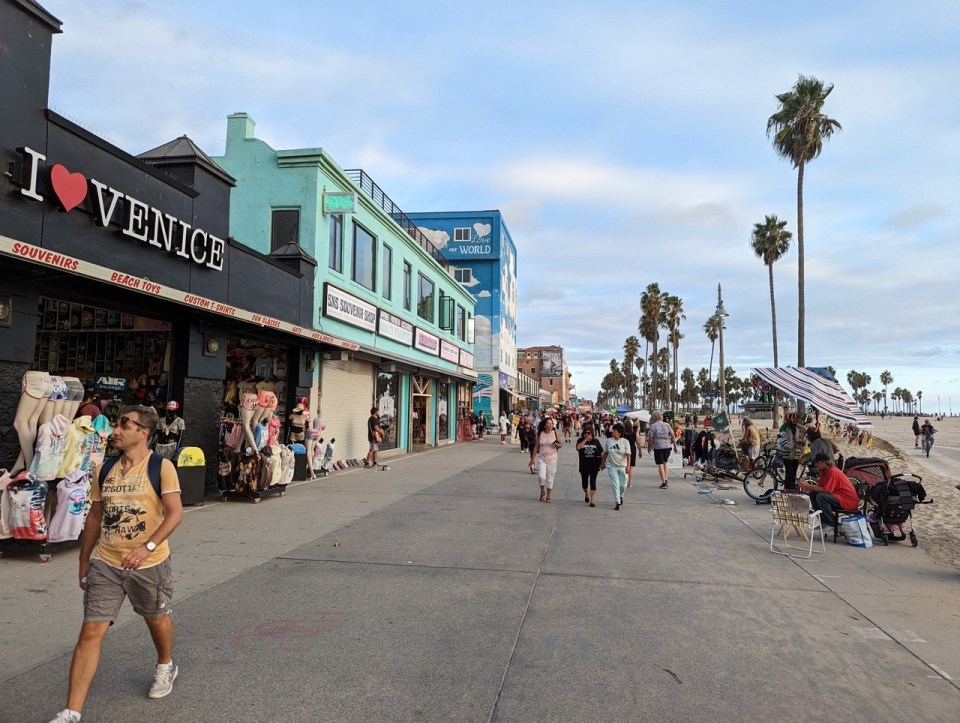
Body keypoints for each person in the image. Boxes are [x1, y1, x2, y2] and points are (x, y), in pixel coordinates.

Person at [50, 405, 183, 723]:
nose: (116, 430)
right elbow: (95, 515)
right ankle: (72, 712)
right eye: (117, 423)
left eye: (125, 424)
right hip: (106, 562)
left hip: (149, 564)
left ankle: (165, 664)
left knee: (155, 617)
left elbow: (175, 513)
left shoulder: (161, 467)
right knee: (90, 632)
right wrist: (84, 559)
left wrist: (147, 546)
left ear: (143, 433)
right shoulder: (104, 468)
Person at [798, 453, 859, 528]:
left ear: (823, 462)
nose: (816, 465)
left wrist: (808, 486)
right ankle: (823, 521)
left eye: (817, 463)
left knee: (821, 496)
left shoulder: (833, 472)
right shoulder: (824, 472)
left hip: (847, 501)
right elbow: (819, 487)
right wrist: (808, 487)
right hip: (838, 498)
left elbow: (826, 491)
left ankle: (830, 523)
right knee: (813, 494)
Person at [600, 422, 631, 510]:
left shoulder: (625, 442)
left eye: (614, 431)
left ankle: (621, 496)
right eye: (612, 430)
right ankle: (617, 502)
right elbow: (606, 453)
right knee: (615, 484)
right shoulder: (609, 441)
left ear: (619, 432)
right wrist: (603, 463)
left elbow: (628, 455)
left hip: (623, 466)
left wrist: (628, 467)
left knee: (623, 485)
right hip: (611, 466)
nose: (612, 432)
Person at [533, 417, 562, 503]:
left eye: (551, 423)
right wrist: (532, 458)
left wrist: (557, 444)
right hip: (542, 458)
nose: (551, 425)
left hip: (552, 458)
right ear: (545, 425)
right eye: (549, 423)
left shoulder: (555, 433)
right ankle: (542, 491)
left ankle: (548, 496)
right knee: (541, 476)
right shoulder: (540, 434)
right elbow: (536, 447)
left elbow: (560, 445)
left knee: (550, 477)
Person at [646, 411, 677, 489]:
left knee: (660, 464)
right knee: (665, 462)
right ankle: (666, 479)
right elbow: (673, 436)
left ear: (654, 418)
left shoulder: (653, 426)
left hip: (658, 446)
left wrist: (649, 447)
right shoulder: (667, 425)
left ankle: (663, 482)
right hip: (667, 446)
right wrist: (675, 446)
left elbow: (650, 438)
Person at [576, 426, 604, 507]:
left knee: (593, 482)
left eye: (588, 433)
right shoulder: (580, 440)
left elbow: (602, 452)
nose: (586, 434)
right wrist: (585, 439)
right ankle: (586, 494)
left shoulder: (596, 441)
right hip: (584, 466)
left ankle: (592, 500)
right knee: (584, 484)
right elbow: (578, 447)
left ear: (592, 433)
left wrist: (603, 463)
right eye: (585, 433)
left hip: (594, 465)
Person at [778, 412, 805, 490]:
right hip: (787, 454)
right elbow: (782, 441)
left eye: (796, 418)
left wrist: (800, 442)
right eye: (792, 418)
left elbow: (803, 433)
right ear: (788, 419)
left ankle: (792, 488)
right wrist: (794, 445)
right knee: (789, 472)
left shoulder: (797, 428)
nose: (794, 420)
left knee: (794, 473)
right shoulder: (784, 427)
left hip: (796, 454)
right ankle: (787, 489)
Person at [622, 419, 641, 488]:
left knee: (624, 466)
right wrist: (640, 451)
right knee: (630, 468)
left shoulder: (622, 434)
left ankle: (624, 481)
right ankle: (629, 483)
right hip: (632, 449)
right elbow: (638, 443)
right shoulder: (634, 434)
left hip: (624, 450)